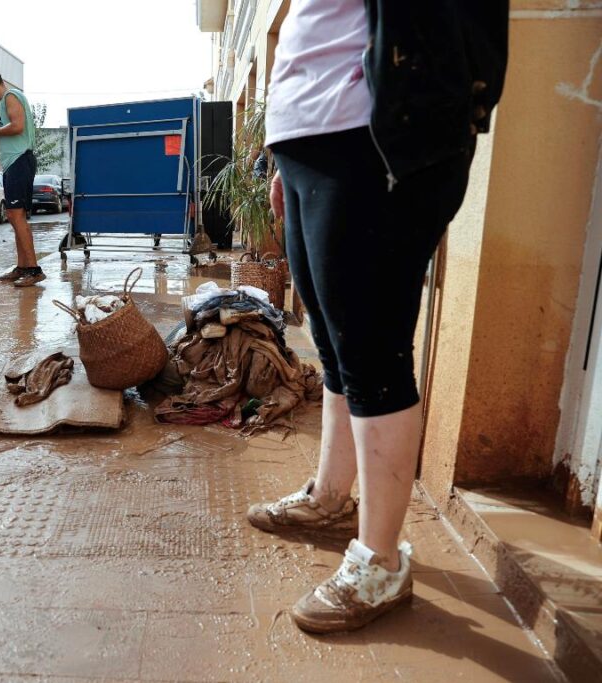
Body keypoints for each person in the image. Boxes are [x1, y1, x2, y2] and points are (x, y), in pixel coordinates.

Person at [247, 1, 508, 633]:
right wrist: (280, 151)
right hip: (310, 138)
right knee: (336, 347)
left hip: (374, 130)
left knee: (373, 351)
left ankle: (381, 563)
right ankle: (330, 498)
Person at [0, 68, 44, 288]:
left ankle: (34, 269)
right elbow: (13, 142)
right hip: (14, 162)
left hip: (19, 163)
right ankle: (23, 267)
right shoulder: (8, 100)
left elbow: (18, 127)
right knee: (15, 217)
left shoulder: (10, 97)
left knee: (16, 216)